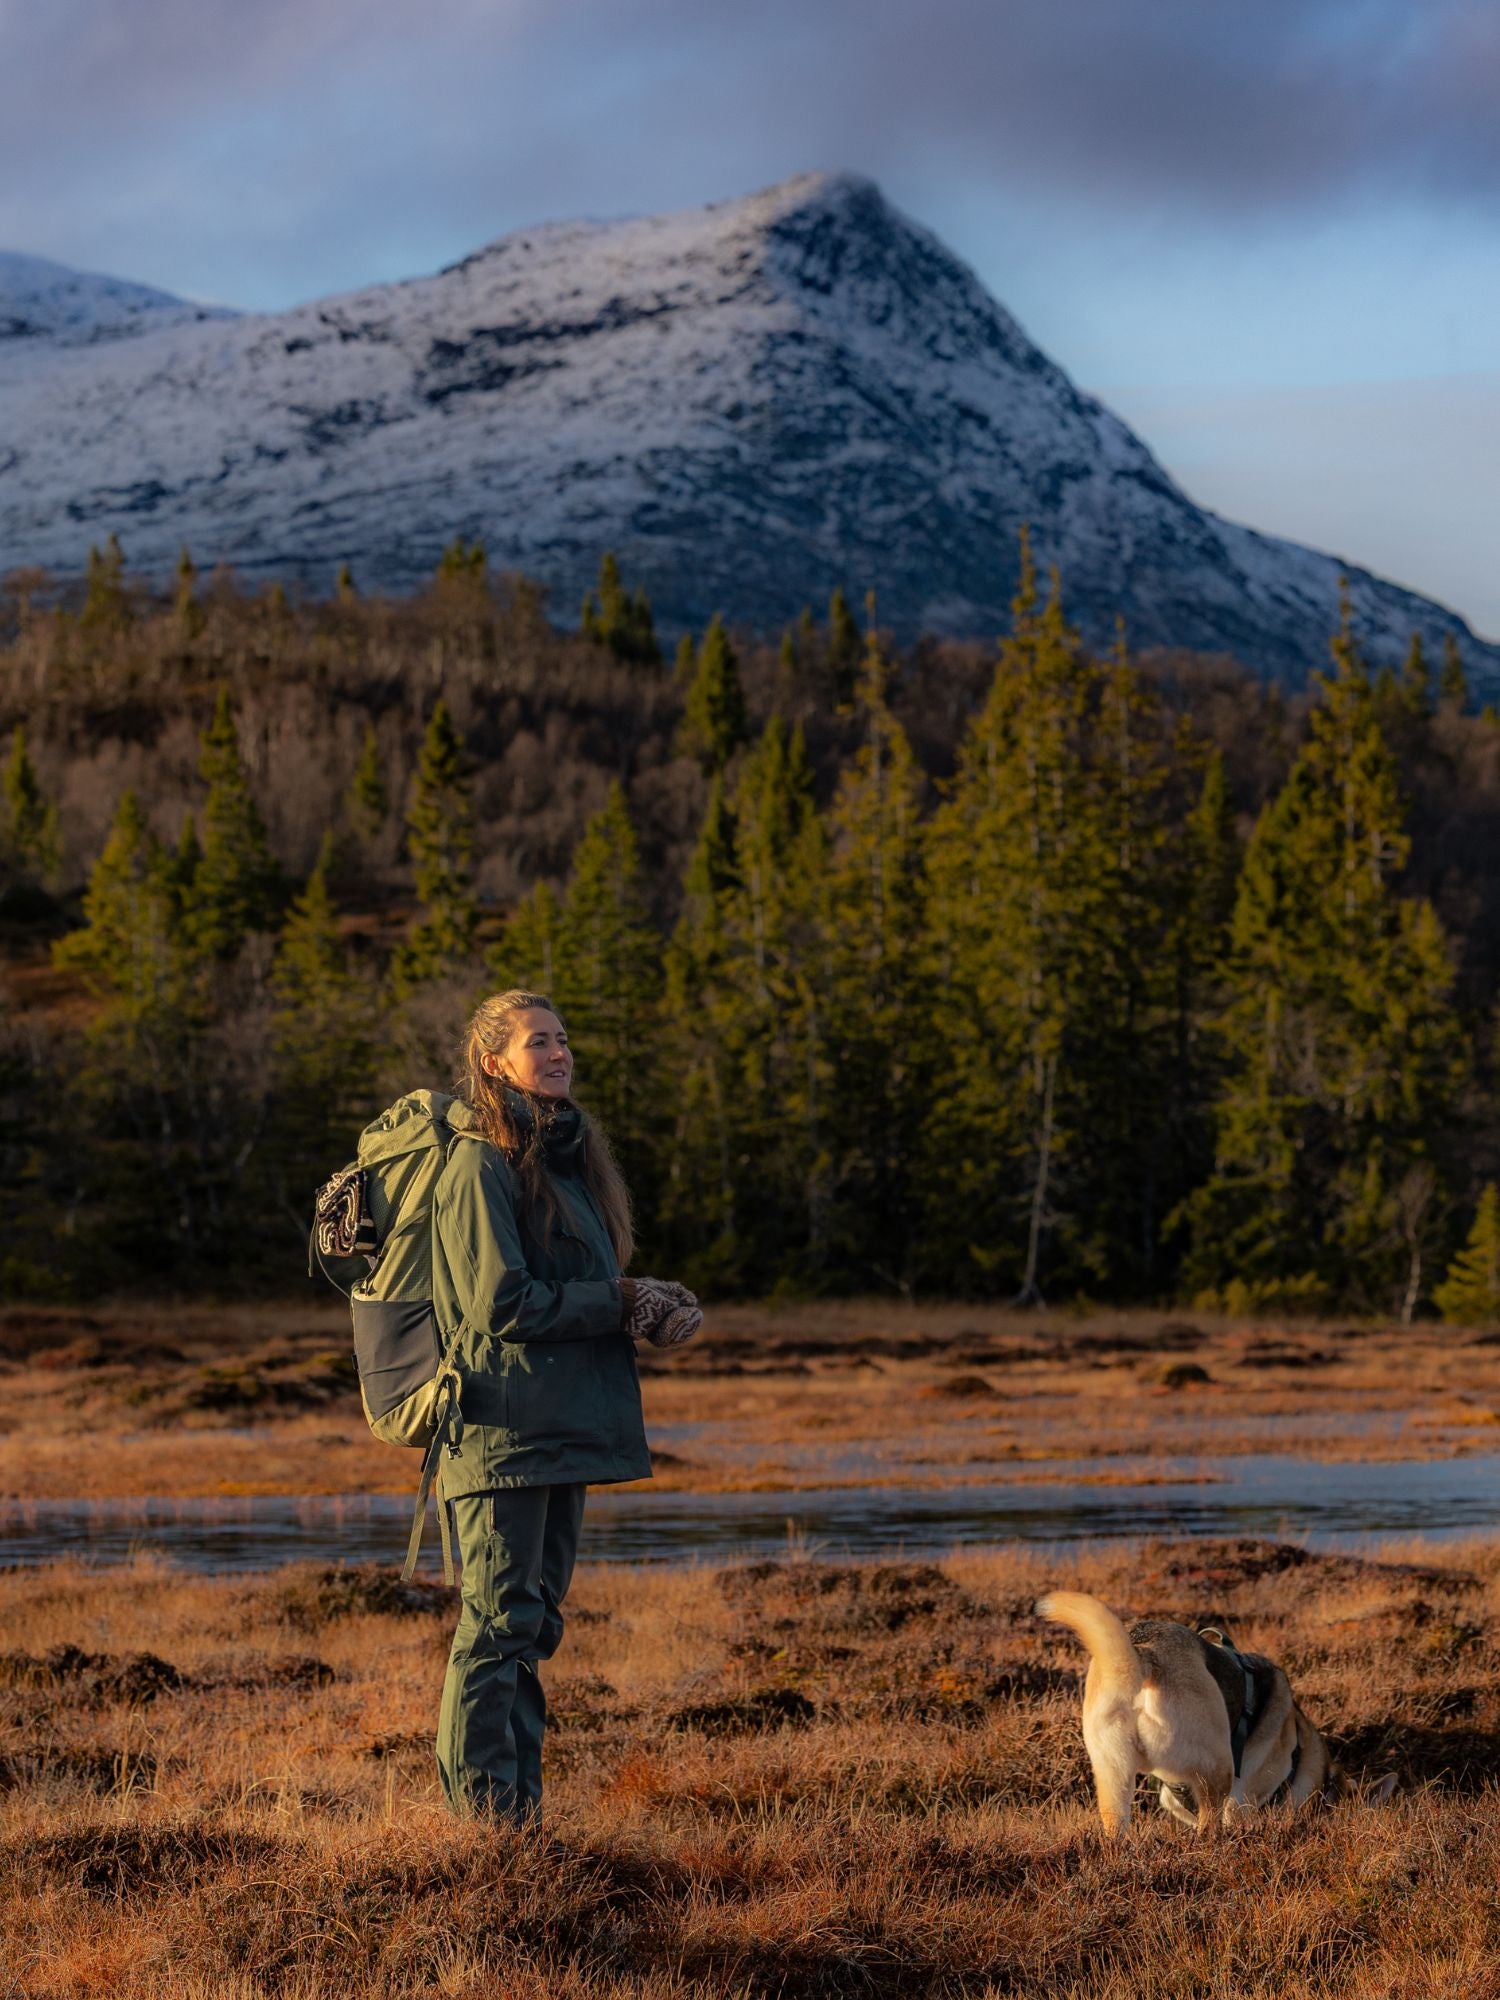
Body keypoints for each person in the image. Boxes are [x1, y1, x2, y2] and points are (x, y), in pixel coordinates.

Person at [431, 987, 700, 1823]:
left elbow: (580, 1284)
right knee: (496, 1624)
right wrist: (617, 1302)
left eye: (563, 1038)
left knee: (532, 1628)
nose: (559, 1052)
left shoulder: (565, 1161)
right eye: (537, 1041)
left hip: (560, 1427)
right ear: (493, 1063)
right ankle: (482, 1833)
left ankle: (518, 1827)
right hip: (501, 1433)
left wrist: (640, 1297)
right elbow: (499, 1304)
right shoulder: (479, 1163)